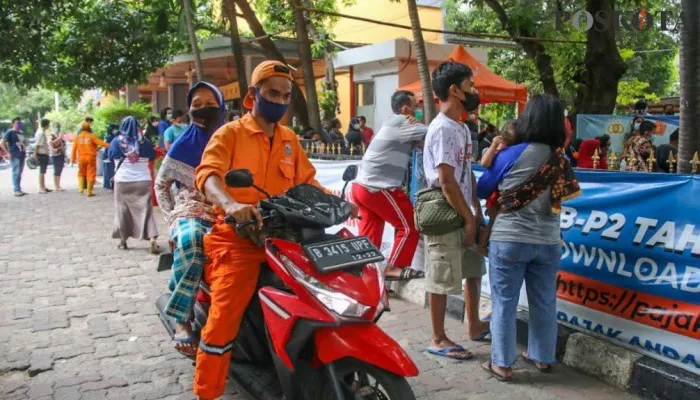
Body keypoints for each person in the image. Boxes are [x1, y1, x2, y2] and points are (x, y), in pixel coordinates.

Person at [192, 60, 357, 399]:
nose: (280, 101)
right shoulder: (230, 134)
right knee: (223, 320)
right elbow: (207, 176)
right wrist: (232, 205)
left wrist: (343, 201)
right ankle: (206, 392)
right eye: (272, 94)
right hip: (236, 240)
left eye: (285, 95)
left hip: (285, 240)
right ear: (252, 96)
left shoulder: (288, 139)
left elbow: (307, 183)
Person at [476, 94, 581, 381]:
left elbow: (483, 190)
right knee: (545, 301)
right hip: (548, 241)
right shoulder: (561, 159)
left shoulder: (511, 154)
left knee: (505, 301)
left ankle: (501, 364)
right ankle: (542, 357)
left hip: (510, 239)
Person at [422, 61, 489, 361]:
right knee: (442, 274)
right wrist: (468, 219)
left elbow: (465, 172)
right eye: (470, 86)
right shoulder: (443, 129)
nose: (474, 91)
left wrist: (475, 208)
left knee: (471, 271)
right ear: (454, 90)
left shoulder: (460, 127)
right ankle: (437, 338)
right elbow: (446, 181)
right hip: (445, 211)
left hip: (462, 209)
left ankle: (473, 324)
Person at [155, 82, 224, 356]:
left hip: (230, 209)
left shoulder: (234, 138)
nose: (203, 108)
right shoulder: (183, 144)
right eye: (196, 104)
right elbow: (161, 185)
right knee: (193, 240)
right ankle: (182, 318)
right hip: (192, 210)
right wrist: (171, 220)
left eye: (210, 102)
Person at [352, 91, 426, 281]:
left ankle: (367, 275)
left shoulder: (393, 123)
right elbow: (434, 131)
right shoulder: (402, 121)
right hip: (378, 187)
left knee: (370, 237)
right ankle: (394, 267)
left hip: (362, 186)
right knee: (410, 226)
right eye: (416, 106)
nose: (419, 110)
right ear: (405, 108)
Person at [108, 117, 160, 253]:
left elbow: (111, 156)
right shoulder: (145, 143)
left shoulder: (116, 142)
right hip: (143, 181)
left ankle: (123, 241)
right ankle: (152, 239)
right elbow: (152, 156)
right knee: (146, 211)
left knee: (122, 210)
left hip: (123, 181)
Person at [70, 121, 110, 197]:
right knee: (90, 174)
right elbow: (101, 143)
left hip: (81, 158)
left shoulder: (77, 137)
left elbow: (73, 149)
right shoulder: (91, 136)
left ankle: (81, 188)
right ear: (89, 128)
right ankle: (89, 192)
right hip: (90, 158)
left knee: (81, 173)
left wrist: (72, 159)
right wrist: (111, 145)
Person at [1, 118, 27, 196]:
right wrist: (7, 152)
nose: (19, 124)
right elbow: (2, 142)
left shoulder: (21, 133)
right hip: (15, 154)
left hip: (21, 154)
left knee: (20, 172)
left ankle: (19, 188)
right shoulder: (10, 132)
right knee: (16, 172)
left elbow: (23, 142)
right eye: (17, 123)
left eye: (20, 123)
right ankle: (16, 189)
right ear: (13, 124)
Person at [33, 118, 52, 194]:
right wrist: (35, 153)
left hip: (44, 153)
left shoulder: (41, 132)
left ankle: (43, 186)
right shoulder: (40, 133)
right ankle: (41, 187)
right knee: (42, 171)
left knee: (43, 171)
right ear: (47, 125)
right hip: (42, 153)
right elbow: (37, 145)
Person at [48, 123, 67, 191]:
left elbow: (64, 144)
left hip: (61, 154)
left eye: (58, 126)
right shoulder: (51, 136)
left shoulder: (61, 136)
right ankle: (56, 186)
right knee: (56, 170)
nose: (57, 128)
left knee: (60, 170)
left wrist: (63, 148)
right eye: (56, 127)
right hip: (55, 155)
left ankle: (58, 185)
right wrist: (59, 138)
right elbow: (51, 143)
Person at [102, 124, 119, 190]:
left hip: (110, 156)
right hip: (108, 156)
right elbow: (106, 147)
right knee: (109, 172)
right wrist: (107, 156)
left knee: (110, 172)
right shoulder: (109, 137)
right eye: (115, 129)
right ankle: (109, 186)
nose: (116, 130)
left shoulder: (113, 137)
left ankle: (110, 186)